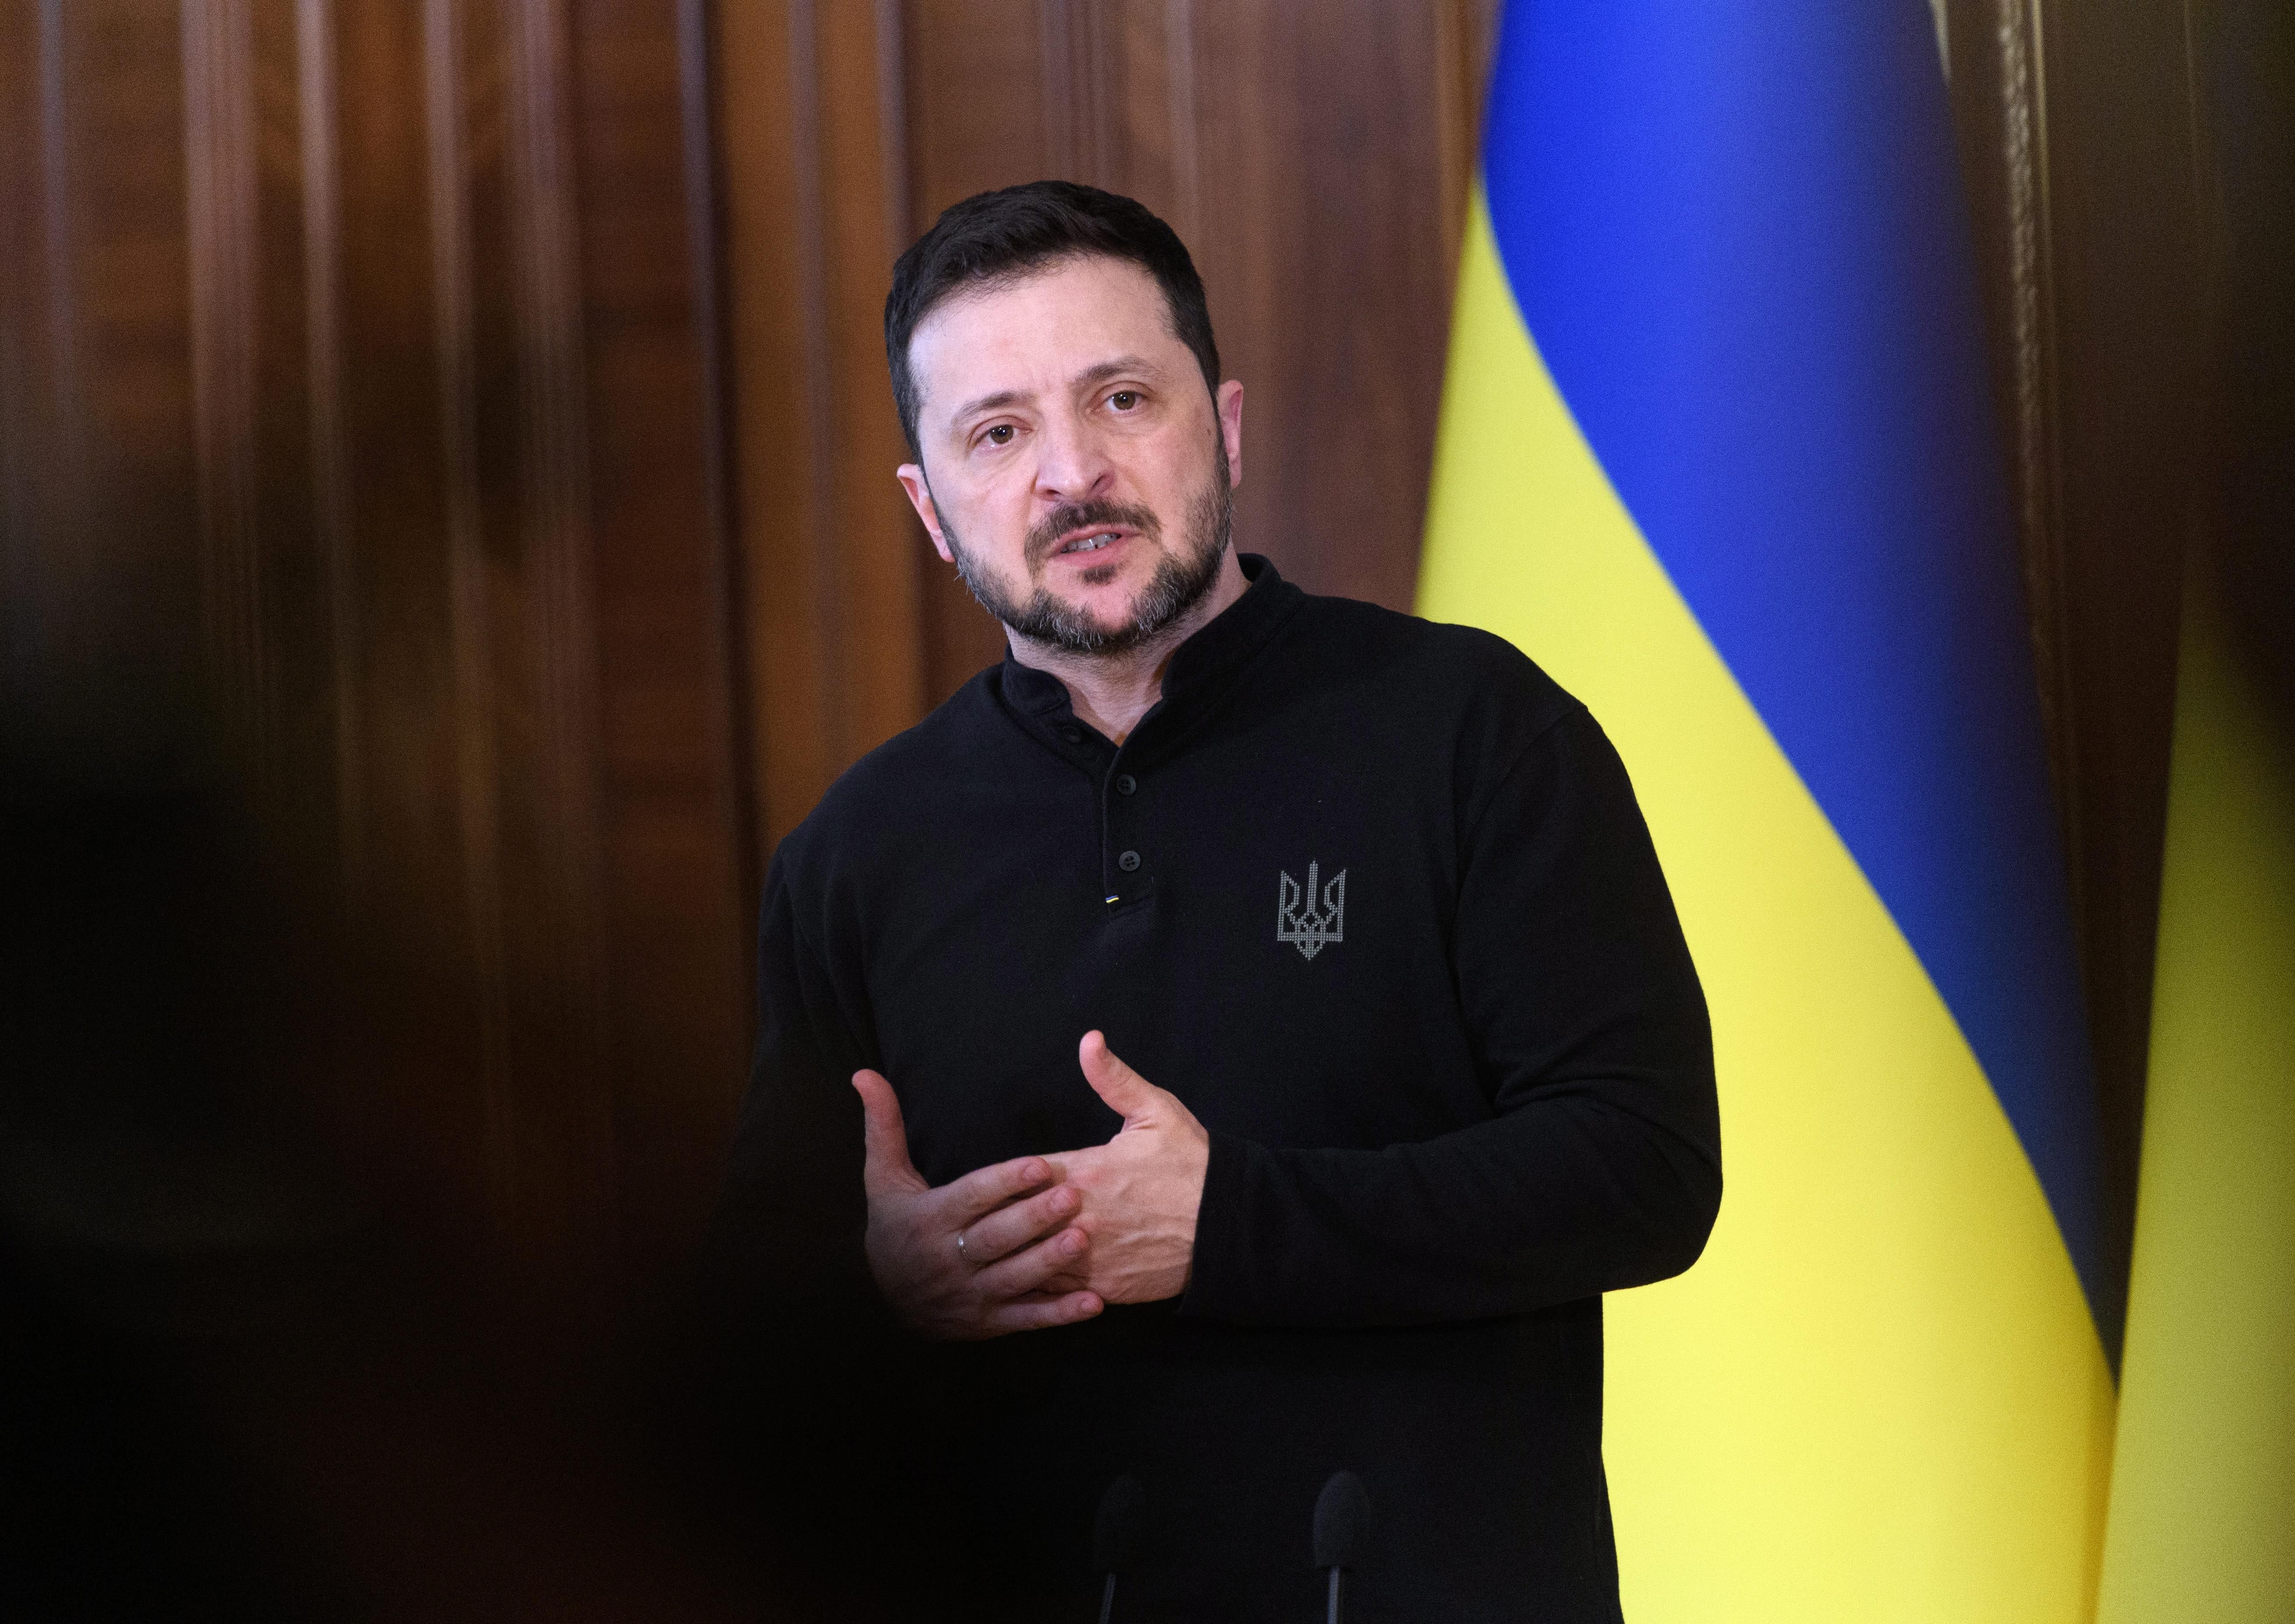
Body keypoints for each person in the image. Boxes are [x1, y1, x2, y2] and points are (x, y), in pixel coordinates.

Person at [716, 179, 1719, 1621]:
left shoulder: (1477, 733)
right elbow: (745, 1337)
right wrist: (879, 1287)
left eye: (1121, 400)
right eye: (999, 433)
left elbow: (1647, 1170)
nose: (1072, 473)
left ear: (1226, 427)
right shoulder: (855, 854)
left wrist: (1232, 1221)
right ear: (930, 510)